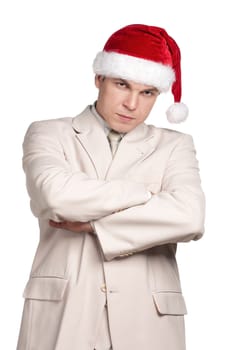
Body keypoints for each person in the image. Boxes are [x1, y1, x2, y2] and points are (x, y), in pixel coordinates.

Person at [16, 24, 205, 350]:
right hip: (65, 313)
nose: (132, 103)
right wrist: (145, 195)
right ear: (99, 79)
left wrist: (93, 224)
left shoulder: (175, 145)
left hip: (147, 320)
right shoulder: (48, 133)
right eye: (122, 85)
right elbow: (56, 196)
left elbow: (190, 218)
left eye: (147, 93)